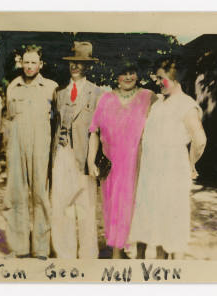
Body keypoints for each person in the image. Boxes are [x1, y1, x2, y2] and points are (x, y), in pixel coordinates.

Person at [128, 58, 207, 259]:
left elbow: (200, 140)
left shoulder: (186, 104)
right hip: (151, 171)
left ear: (174, 78)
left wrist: (191, 164)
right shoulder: (159, 103)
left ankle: (174, 278)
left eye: (162, 78)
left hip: (172, 170)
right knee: (153, 222)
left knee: (172, 222)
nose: (158, 82)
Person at [87, 61, 157, 259]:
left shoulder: (148, 97)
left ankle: (139, 257)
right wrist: (92, 161)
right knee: (114, 208)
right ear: (116, 76)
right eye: (123, 73)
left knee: (138, 207)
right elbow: (94, 132)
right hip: (112, 166)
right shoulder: (105, 99)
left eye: (132, 72)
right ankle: (116, 255)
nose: (128, 77)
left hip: (139, 163)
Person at [3, 45, 58, 259]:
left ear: (40, 65)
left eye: (33, 62)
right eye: (26, 62)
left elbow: (56, 121)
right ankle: (20, 247)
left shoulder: (51, 87)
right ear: (21, 63)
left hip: (41, 148)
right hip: (17, 148)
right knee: (17, 194)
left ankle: (41, 248)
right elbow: (9, 119)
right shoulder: (13, 87)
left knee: (40, 195)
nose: (29, 66)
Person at [51, 41, 103, 259]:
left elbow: (97, 131)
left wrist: (92, 161)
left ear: (87, 66)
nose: (75, 66)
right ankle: (65, 254)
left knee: (85, 207)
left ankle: (88, 255)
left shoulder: (97, 93)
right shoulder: (60, 93)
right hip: (62, 154)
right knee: (61, 205)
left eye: (80, 63)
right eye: (72, 62)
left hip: (84, 156)